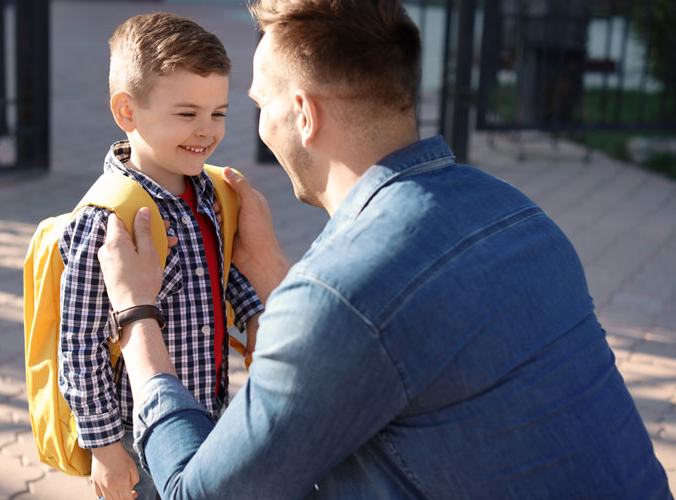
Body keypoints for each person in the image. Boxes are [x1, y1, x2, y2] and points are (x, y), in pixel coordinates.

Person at [97, 1, 672, 498]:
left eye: (257, 103)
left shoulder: (340, 296)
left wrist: (137, 314)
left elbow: (193, 492)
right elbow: (383, 339)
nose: (255, 123)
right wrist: (269, 269)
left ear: (303, 114)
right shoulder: (514, 210)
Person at [57, 13, 263, 500]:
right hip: (140, 436)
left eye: (219, 113)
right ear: (127, 112)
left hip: (207, 414)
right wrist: (106, 447)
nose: (207, 131)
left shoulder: (211, 191)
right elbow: (80, 342)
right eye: (187, 114)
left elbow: (223, 267)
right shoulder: (107, 219)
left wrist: (254, 310)